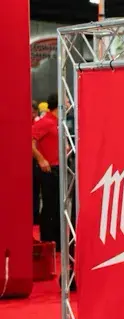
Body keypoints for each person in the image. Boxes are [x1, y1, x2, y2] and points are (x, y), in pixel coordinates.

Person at [32, 93, 61, 246]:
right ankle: (48, 239)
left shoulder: (56, 122)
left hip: (58, 167)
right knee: (50, 205)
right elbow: (29, 140)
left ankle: (55, 239)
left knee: (56, 205)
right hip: (48, 168)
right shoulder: (46, 122)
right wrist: (41, 159)